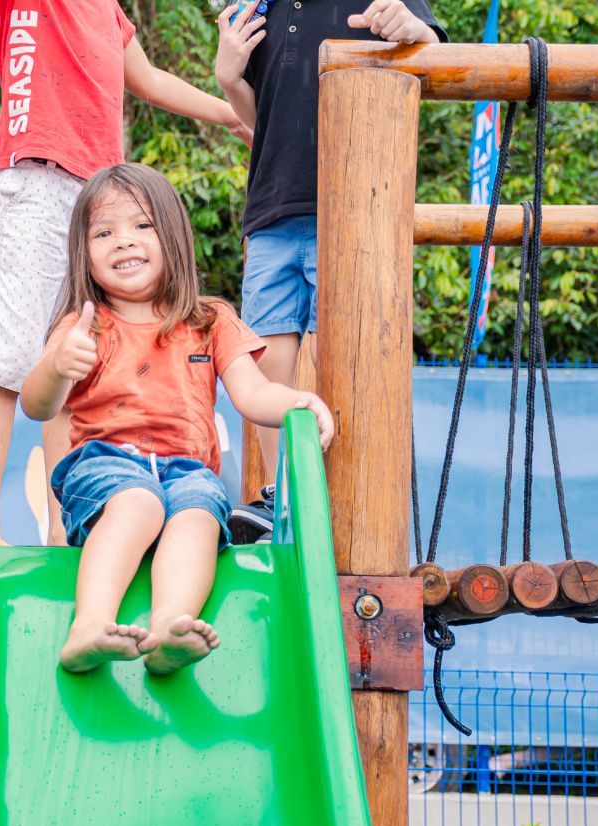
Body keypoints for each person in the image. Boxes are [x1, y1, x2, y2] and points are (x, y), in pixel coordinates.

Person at [20, 163, 334, 674]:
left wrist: (297, 403)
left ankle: (171, 627)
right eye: (104, 233)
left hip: (187, 472)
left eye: (142, 225)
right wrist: (57, 367)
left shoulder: (209, 320)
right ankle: (88, 626)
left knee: (200, 515)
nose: (124, 241)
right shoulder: (84, 325)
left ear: (173, 237)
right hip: (105, 465)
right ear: (84, 254)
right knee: (138, 502)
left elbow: (253, 393)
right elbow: (38, 406)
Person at [0, 0, 252, 545]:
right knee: (7, 357)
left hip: (96, 201)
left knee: (73, 359)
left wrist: (229, 114)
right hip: (36, 181)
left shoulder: (107, 10)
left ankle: (61, 531)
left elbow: (148, 78)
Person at [215, 0, 446, 541]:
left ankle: (342, 504)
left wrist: (416, 31)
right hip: (272, 208)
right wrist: (230, 80)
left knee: (343, 360)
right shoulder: (257, 7)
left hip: (354, 205)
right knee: (266, 361)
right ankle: (280, 497)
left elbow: (437, 59)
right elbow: (262, 119)